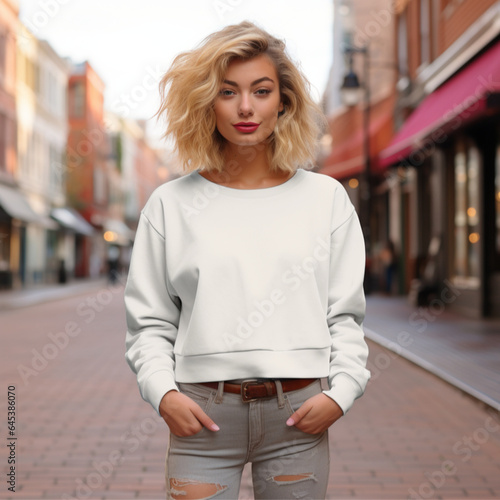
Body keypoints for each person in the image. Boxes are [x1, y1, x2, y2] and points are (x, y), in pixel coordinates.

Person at [124, 21, 370, 500]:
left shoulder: (326, 199)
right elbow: (149, 323)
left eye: (261, 90)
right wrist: (163, 394)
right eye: (227, 91)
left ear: (284, 101)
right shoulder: (170, 205)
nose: (245, 108)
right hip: (202, 418)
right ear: (205, 103)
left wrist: (341, 394)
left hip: (300, 414)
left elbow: (345, 315)